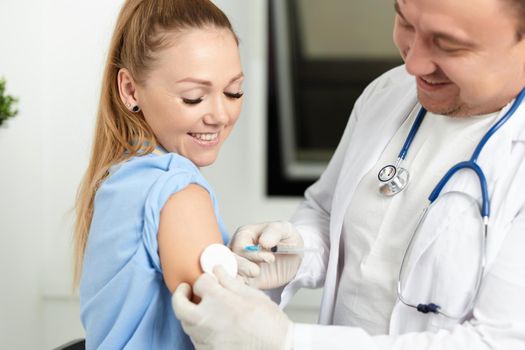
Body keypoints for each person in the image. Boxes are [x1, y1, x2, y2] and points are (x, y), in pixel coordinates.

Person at [172, 0, 525, 348]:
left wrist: (290, 341)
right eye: (405, 23)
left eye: (448, 45)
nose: (413, 63)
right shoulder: (389, 94)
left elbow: (496, 341)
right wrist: (296, 253)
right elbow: (328, 212)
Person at [73, 0, 244, 348]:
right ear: (130, 89)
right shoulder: (176, 190)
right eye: (194, 97)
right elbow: (231, 339)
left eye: (234, 91)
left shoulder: (120, 175)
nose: (220, 114)